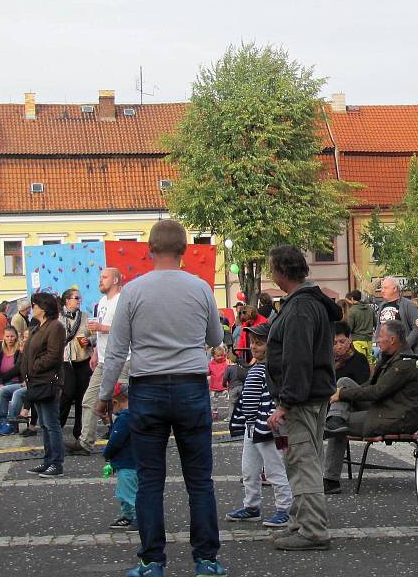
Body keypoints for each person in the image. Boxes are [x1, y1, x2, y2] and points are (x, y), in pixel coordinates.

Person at [95, 219, 227, 577]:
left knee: (150, 479)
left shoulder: (134, 292)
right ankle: (206, 560)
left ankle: (152, 561)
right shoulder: (200, 288)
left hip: (148, 388)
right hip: (190, 387)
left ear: (149, 250)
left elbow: (117, 352)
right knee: (199, 480)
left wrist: (105, 396)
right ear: (184, 250)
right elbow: (216, 337)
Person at [265, 245, 341, 552]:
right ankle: (301, 522)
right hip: (312, 393)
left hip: (303, 397)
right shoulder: (310, 302)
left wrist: (285, 403)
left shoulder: (298, 308)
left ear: (281, 272)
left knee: (303, 460)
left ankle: (311, 529)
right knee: (302, 458)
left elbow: (297, 360)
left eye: (272, 269)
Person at [323, 320, 418, 494]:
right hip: (384, 407)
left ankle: (330, 480)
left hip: (393, 415)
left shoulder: (403, 363)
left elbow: (377, 392)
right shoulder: (391, 357)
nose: (376, 340)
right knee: (343, 386)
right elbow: (370, 386)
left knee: (339, 424)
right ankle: (335, 419)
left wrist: (342, 395)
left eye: (380, 336)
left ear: (392, 340)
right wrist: (343, 393)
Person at [226, 323, 292, 527]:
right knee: (249, 469)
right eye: (253, 343)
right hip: (251, 426)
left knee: (274, 468)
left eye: (260, 343)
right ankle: (251, 505)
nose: (254, 347)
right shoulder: (257, 366)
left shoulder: (274, 368)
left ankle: (285, 508)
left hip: (267, 428)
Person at [68, 267, 128, 456]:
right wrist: (94, 351)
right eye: (100, 277)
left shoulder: (122, 300)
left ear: (116, 280)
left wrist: (102, 327)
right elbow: (101, 334)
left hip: (122, 359)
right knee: (89, 400)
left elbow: (128, 328)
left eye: (104, 277)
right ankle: (86, 442)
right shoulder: (102, 301)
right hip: (103, 359)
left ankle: (125, 442)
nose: (100, 280)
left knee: (120, 402)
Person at [22, 292, 66, 478]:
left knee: (51, 423)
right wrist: (26, 372)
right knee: (44, 424)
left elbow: (53, 355)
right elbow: (28, 352)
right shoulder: (38, 327)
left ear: (44, 307)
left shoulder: (55, 327)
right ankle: (48, 461)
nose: (32, 308)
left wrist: (33, 368)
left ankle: (56, 463)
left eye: (34, 305)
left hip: (48, 380)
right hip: (36, 380)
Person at [59, 288, 93, 442]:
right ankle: (57, 427)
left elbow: (94, 336)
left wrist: (89, 341)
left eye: (80, 298)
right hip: (66, 361)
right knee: (67, 394)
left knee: (82, 397)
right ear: (67, 300)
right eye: (76, 298)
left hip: (83, 360)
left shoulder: (85, 317)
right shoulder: (59, 319)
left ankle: (79, 432)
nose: (79, 300)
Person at [103, 383, 138, 531]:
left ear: (115, 403)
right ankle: (128, 515)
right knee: (127, 491)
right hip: (133, 461)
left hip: (127, 463)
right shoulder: (136, 415)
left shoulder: (124, 418)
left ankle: (137, 517)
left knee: (128, 493)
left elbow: (115, 440)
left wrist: (107, 454)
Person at [374, 277, 418, 352]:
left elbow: (417, 328)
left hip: (403, 354)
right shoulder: (382, 306)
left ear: (395, 289)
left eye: (385, 288)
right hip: (385, 353)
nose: (382, 291)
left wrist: (405, 346)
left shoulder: (408, 305)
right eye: (381, 288)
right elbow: (379, 327)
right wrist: (377, 343)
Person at [0, 326, 23, 435]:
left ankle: (8, 423)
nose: (10, 339)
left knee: (2, 390)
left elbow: (17, 369)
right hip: (2, 382)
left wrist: (2, 380)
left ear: (16, 337)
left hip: (17, 382)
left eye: (12, 336)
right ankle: (2, 421)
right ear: (3, 337)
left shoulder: (20, 350)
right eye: (7, 336)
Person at [345, 290, 375, 366]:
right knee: (370, 363)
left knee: (359, 363)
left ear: (352, 298)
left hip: (357, 341)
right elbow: (375, 323)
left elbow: (349, 328)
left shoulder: (352, 311)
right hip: (369, 341)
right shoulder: (370, 309)